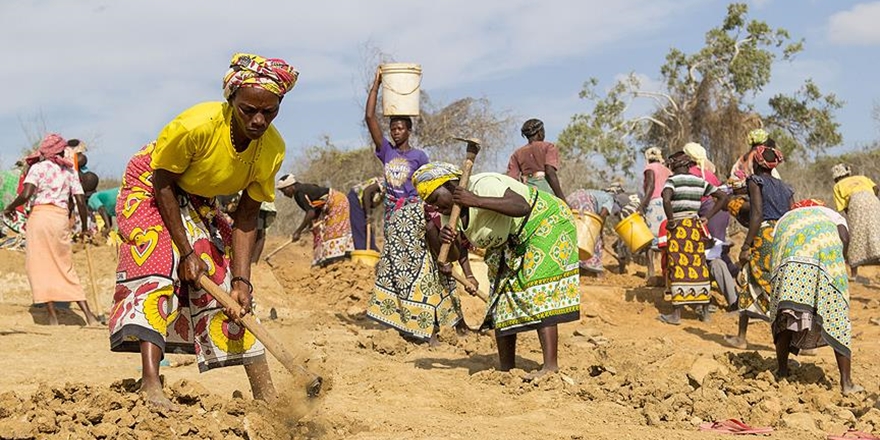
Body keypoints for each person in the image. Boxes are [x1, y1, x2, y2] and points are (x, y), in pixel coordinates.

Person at [107, 53, 298, 410]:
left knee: (227, 284)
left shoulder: (273, 150)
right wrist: (187, 253)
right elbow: (162, 183)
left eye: (268, 112)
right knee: (159, 264)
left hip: (197, 196)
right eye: (248, 110)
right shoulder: (196, 126)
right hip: (151, 185)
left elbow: (246, 217)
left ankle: (266, 394)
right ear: (231, 100)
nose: (258, 120)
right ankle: (151, 382)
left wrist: (243, 279)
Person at [413, 163, 580, 378]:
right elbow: (453, 255)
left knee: (537, 288)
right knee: (500, 298)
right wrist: (447, 239)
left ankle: (550, 367)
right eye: (430, 204)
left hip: (545, 222)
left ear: (451, 185)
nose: (436, 207)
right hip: (510, 240)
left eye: (436, 199)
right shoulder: (449, 216)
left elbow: (521, 206)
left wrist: (475, 201)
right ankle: (507, 368)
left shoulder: (484, 184)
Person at [364, 67, 463, 342]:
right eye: (393, 128)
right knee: (399, 268)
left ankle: (431, 326)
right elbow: (369, 117)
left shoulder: (420, 156)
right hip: (394, 220)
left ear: (409, 130)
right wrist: (376, 86)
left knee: (423, 266)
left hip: (416, 215)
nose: (395, 132)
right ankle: (406, 323)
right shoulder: (386, 151)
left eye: (400, 128)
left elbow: (429, 188)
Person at [2, 134, 99, 326]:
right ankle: (88, 315)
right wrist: (85, 228)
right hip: (59, 219)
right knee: (64, 265)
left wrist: (10, 207)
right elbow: (80, 201)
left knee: (40, 266)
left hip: (39, 218)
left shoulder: (37, 168)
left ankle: (52, 316)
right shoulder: (69, 172)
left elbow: (26, 194)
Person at [769, 201, 862, 394]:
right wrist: (837, 264)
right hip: (825, 260)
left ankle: (782, 372)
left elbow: (776, 250)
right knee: (836, 316)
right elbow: (844, 237)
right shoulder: (830, 214)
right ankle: (846, 383)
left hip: (791, 264)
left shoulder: (785, 219)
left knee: (785, 316)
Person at [725, 144, 793, 349]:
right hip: (785, 236)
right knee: (784, 288)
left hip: (764, 236)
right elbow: (791, 215)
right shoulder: (786, 187)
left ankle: (741, 338)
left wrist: (746, 246)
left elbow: (756, 214)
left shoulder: (755, 181)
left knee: (748, 282)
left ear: (756, 163)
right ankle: (795, 340)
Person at [658, 151, 728, 325]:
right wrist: (707, 216)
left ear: (674, 165)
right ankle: (705, 312)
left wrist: (671, 219)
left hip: (679, 228)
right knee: (698, 265)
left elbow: (666, 199)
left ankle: (676, 315)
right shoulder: (699, 181)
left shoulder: (672, 181)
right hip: (695, 227)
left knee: (677, 264)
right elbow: (722, 196)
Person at [276, 175, 354, 266]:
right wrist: (310, 225)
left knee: (333, 231)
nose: (284, 194)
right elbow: (312, 210)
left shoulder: (300, 192)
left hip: (337, 202)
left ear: (290, 187)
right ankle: (321, 258)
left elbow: (311, 213)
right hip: (327, 207)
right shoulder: (300, 192)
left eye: (283, 191)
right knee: (320, 232)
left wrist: (298, 231)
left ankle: (336, 258)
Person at [831, 164, 880, 283]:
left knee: (855, 236)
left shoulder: (838, 186)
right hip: (873, 201)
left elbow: (843, 207)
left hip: (855, 202)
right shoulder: (862, 178)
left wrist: (852, 217)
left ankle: (854, 274)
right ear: (848, 174)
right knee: (876, 232)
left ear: (836, 178)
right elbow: (876, 188)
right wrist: (872, 199)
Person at [506, 119, 565, 200]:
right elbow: (549, 171)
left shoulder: (517, 153)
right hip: (546, 190)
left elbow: (511, 179)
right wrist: (562, 199)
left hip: (527, 192)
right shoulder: (548, 147)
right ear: (540, 133)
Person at [637, 147, 671, 281]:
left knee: (650, 238)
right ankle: (667, 271)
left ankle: (651, 271)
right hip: (667, 204)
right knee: (665, 238)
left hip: (655, 204)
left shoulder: (650, 168)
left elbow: (650, 187)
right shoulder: (667, 170)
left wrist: (642, 205)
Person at [566, 186, 617, 274]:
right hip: (584, 201)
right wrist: (600, 235)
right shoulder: (610, 199)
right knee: (591, 234)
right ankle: (593, 268)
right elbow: (602, 215)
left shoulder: (598, 193)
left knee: (575, 233)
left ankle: (576, 264)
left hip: (570, 199)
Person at [347, 176, 384, 251]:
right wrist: (368, 215)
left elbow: (373, 202)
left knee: (367, 226)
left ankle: (371, 247)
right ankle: (361, 249)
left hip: (363, 202)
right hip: (356, 197)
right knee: (359, 225)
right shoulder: (387, 182)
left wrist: (369, 212)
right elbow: (366, 192)